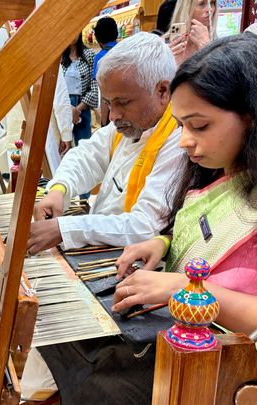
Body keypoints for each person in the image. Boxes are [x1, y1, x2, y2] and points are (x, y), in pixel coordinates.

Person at [112, 34, 257, 402]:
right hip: (196, 352)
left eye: (199, 126)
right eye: (181, 125)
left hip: (238, 374)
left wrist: (185, 290)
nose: (184, 141)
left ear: (253, 118)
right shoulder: (223, 172)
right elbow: (213, 244)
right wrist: (162, 243)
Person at [27, 32, 184, 254]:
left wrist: (67, 230)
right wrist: (59, 190)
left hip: (134, 270)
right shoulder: (125, 127)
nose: (113, 115)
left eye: (123, 102)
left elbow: (146, 226)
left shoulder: (178, 141)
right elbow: (84, 157)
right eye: (109, 103)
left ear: (162, 91)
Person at [60, 33, 100, 145]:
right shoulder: (59, 58)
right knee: (63, 146)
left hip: (83, 106)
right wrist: (69, 108)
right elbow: (56, 89)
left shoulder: (89, 54)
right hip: (63, 105)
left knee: (84, 146)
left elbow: (94, 86)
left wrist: (78, 109)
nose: (71, 35)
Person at [168, 0, 218, 64]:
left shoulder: (220, 44)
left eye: (212, 3)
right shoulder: (164, 44)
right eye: (202, 4)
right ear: (186, 9)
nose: (210, 9)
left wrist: (207, 47)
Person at [92, 17, 119, 127]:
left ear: (98, 39)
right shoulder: (127, 51)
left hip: (111, 111)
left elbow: (103, 94)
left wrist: (103, 121)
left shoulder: (100, 58)